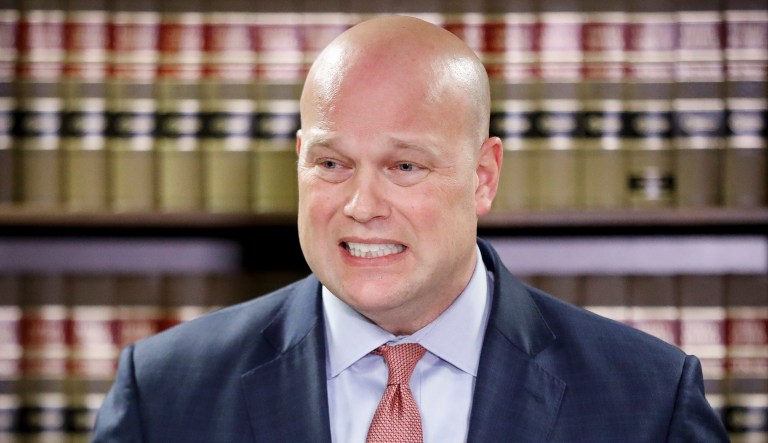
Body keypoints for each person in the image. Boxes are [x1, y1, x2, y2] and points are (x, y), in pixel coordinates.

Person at [92, 15, 728, 442]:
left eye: (404, 165)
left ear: (482, 176)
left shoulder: (648, 402)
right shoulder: (165, 394)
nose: (362, 205)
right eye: (332, 163)